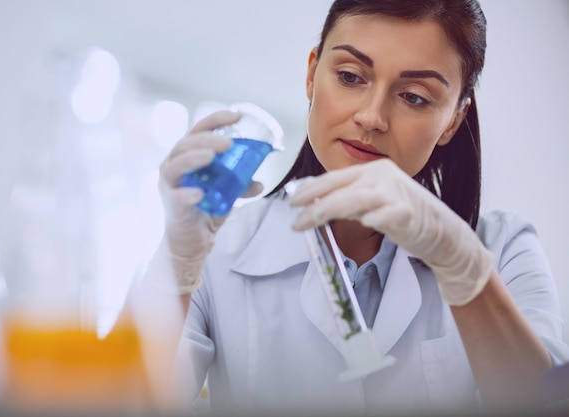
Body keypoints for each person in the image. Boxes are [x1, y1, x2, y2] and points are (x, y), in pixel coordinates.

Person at [139, 0, 569, 414]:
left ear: (453, 120)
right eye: (350, 76)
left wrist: (465, 270)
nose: (371, 116)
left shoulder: (505, 248)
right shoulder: (215, 252)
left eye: (415, 97)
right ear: (312, 75)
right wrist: (174, 271)